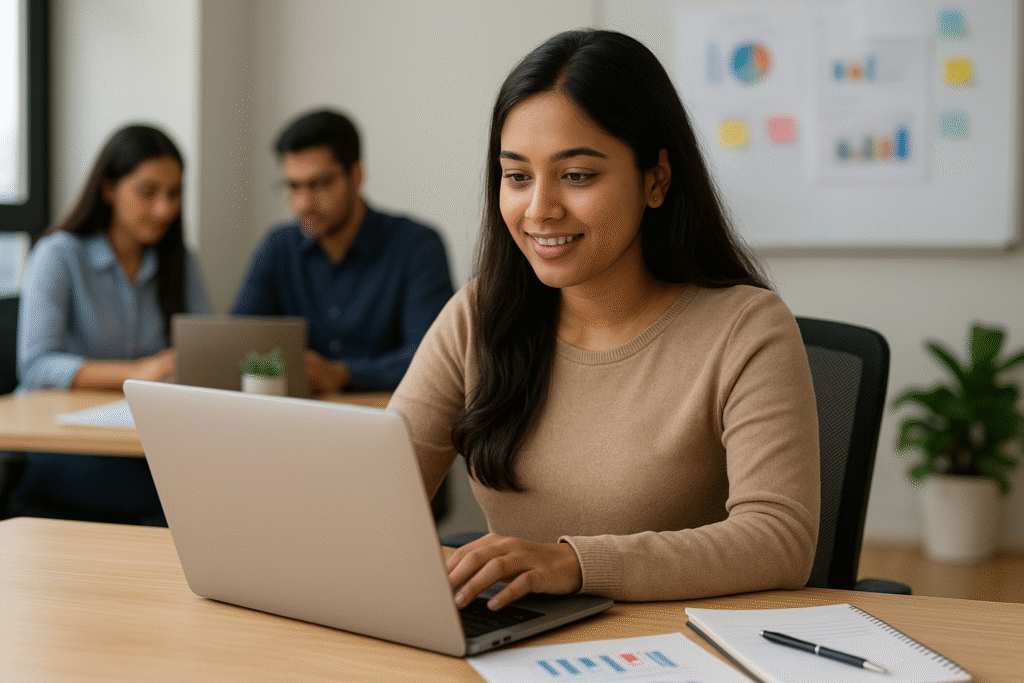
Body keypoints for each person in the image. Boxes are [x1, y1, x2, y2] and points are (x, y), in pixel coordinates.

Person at [388, 29, 820, 610]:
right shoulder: (479, 314)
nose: (539, 209)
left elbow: (779, 541)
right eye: (517, 176)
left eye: (577, 176)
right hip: (512, 647)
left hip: (674, 653)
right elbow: (375, 500)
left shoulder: (747, 328)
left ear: (656, 179)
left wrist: (574, 564)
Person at [10, 123, 212, 524]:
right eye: (148, 192)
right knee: (180, 499)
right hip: (63, 442)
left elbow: (204, 349)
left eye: (173, 194)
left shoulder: (178, 260)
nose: (164, 209)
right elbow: (35, 365)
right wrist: (140, 373)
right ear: (108, 189)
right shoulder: (58, 255)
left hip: (148, 439)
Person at [232, 109, 454, 392]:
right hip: (295, 421)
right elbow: (238, 345)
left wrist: (343, 374)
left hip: (384, 419)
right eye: (293, 186)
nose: (303, 204)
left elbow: (433, 361)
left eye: (319, 184)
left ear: (357, 176)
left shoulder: (417, 246)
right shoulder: (278, 247)